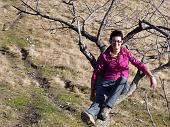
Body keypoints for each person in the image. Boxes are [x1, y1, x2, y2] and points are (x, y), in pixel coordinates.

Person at [81, 30, 157, 125]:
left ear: (121, 42)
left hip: (121, 85)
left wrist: (151, 76)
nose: (116, 43)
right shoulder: (104, 56)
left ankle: (107, 107)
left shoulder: (125, 52)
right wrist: (92, 92)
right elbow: (95, 74)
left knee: (122, 79)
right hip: (105, 84)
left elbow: (138, 64)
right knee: (99, 99)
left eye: (119, 41)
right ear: (110, 41)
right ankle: (90, 114)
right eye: (114, 41)